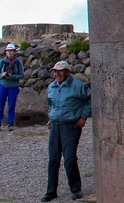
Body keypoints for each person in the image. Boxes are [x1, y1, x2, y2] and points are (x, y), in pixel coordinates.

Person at [41, 61, 91, 202]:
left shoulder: (78, 86)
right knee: (53, 159)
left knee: (69, 158)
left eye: (61, 71)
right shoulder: (51, 87)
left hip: (71, 126)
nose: (57, 74)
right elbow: (51, 104)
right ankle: (51, 191)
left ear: (68, 72)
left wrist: (83, 117)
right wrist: (51, 117)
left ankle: (76, 189)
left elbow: (89, 101)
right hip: (55, 126)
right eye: (55, 71)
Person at [0, 44, 24, 131]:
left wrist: (11, 77)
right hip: (3, 85)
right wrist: (2, 76)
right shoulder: (2, 62)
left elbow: (22, 75)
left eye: (11, 51)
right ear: (6, 52)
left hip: (13, 86)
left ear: (14, 52)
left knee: (11, 105)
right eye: (8, 51)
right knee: (0, 105)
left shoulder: (18, 63)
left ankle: (10, 123)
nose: (9, 52)